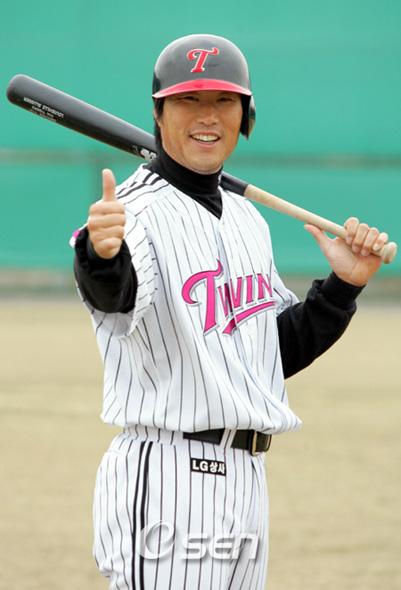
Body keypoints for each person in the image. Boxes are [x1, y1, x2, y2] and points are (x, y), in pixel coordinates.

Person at [72, 34, 388, 590]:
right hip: (169, 475)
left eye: (223, 100)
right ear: (158, 114)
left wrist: (341, 288)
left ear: (246, 116)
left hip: (247, 479)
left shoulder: (247, 219)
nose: (207, 116)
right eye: (187, 100)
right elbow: (114, 293)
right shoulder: (133, 214)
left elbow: (268, 354)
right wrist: (101, 254)